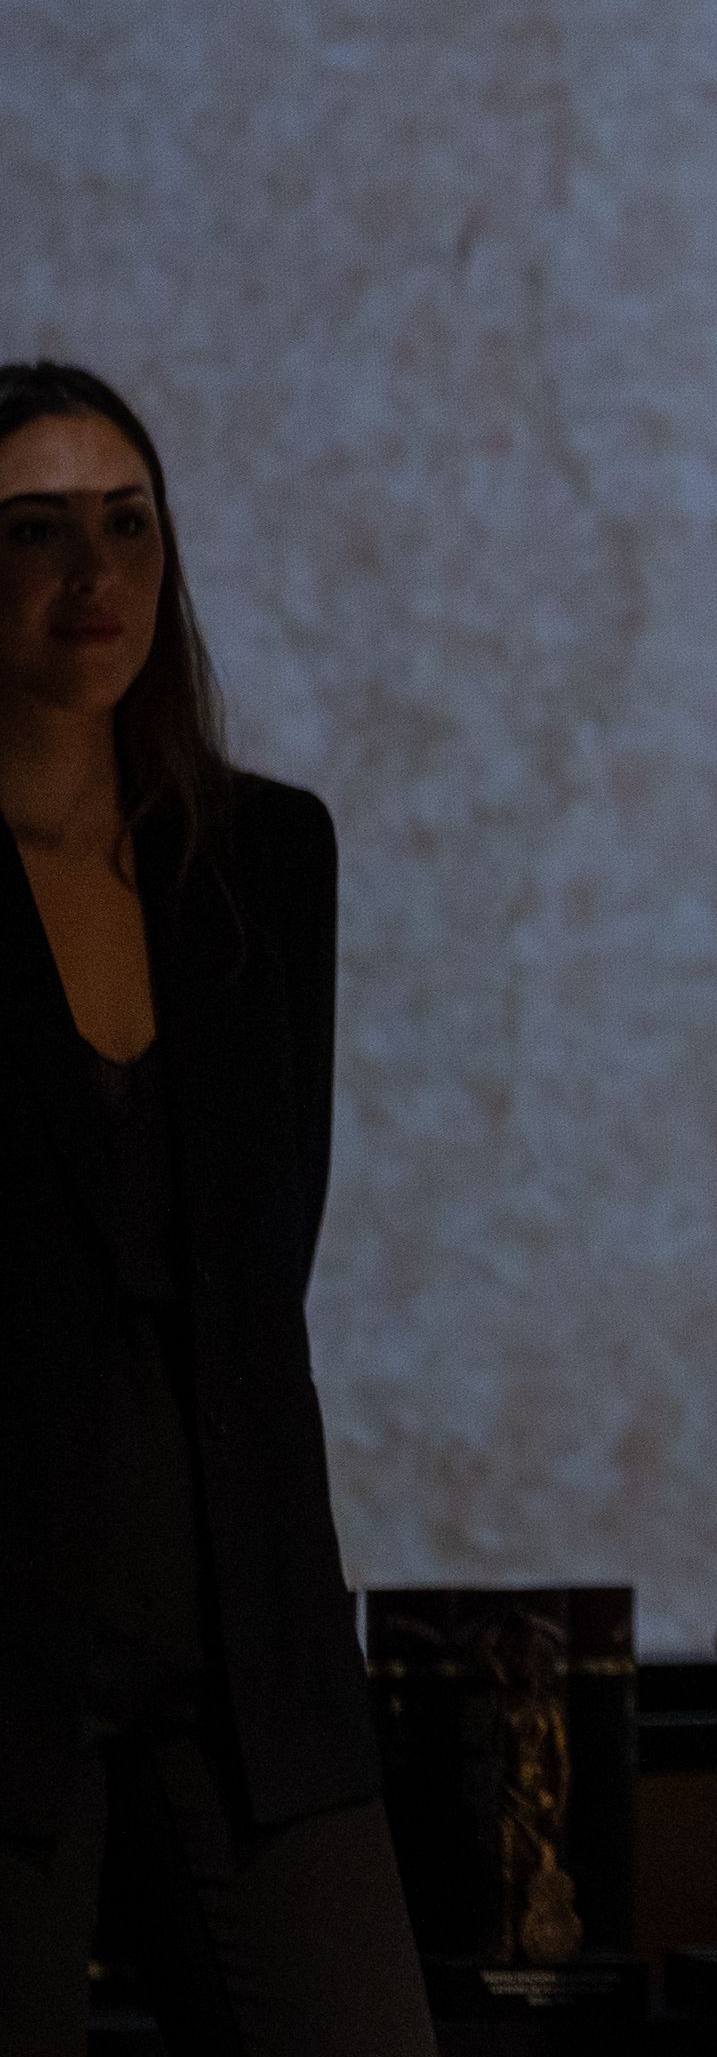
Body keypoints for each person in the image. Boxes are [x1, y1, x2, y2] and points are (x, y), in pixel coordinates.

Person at [0, 362, 438, 2054]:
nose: (91, 576)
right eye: (35, 532)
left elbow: (267, 1253)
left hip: (248, 1616)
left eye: (127, 526)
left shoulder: (264, 858)